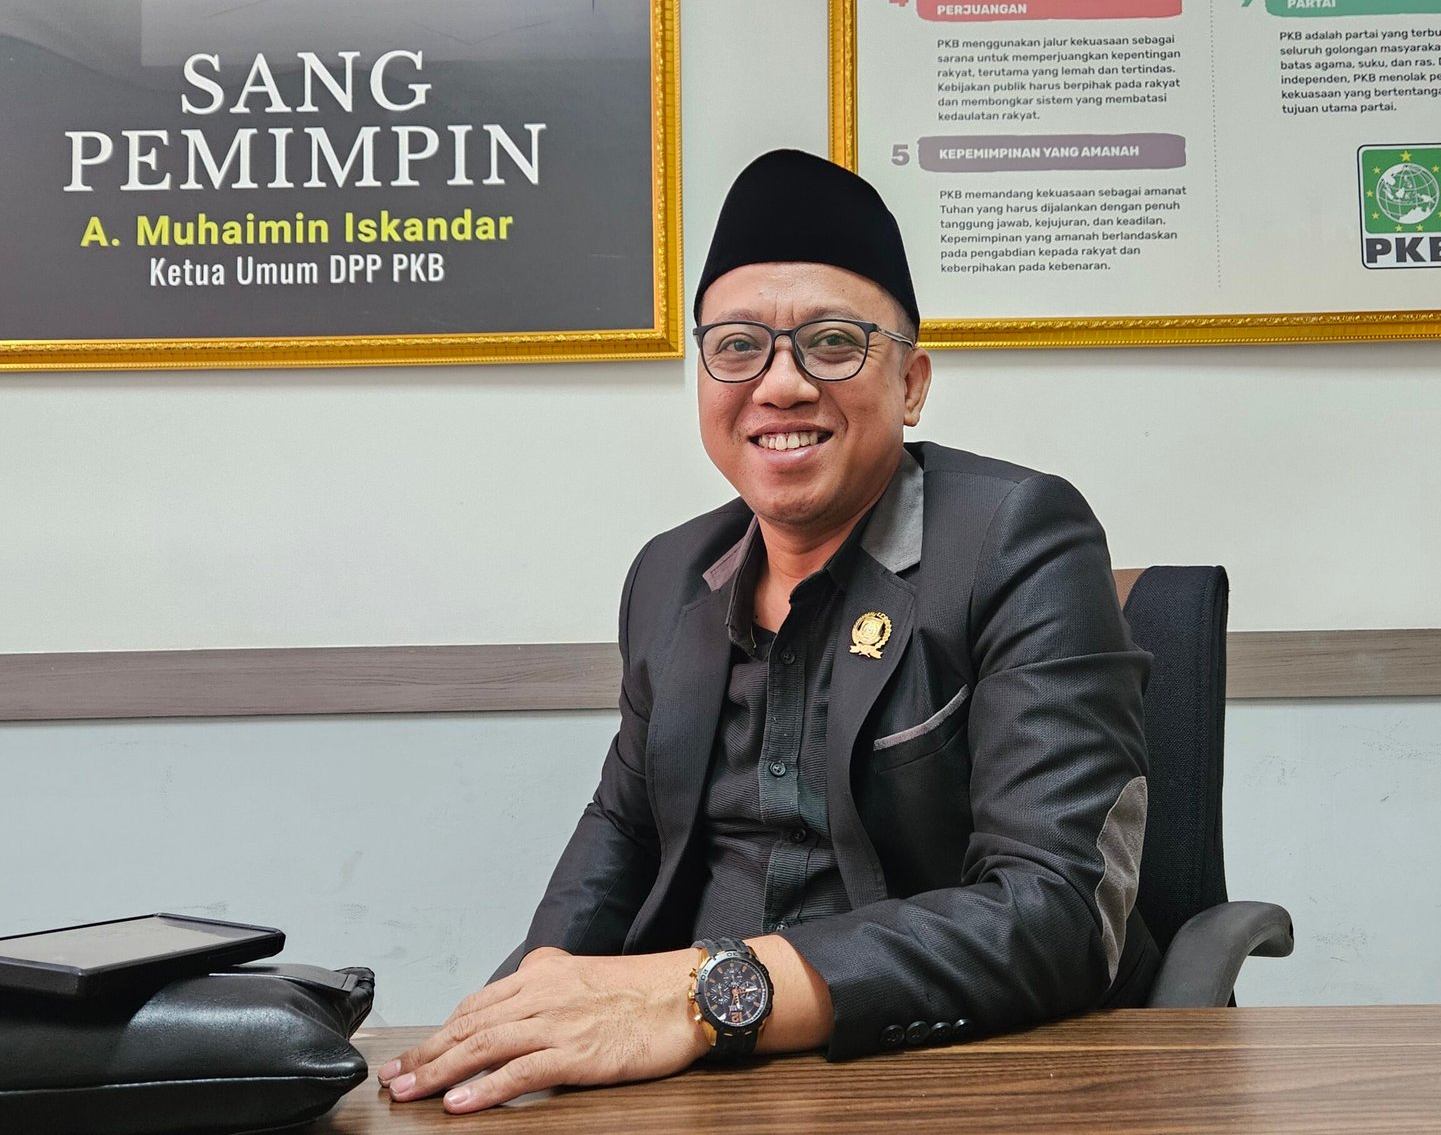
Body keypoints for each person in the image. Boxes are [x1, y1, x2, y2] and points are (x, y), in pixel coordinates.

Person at [379, 149, 1158, 1113]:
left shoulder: (1017, 538)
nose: (780, 385)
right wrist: (533, 1002)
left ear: (912, 383)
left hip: (937, 1070)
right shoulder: (669, 573)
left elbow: (1056, 910)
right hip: (690, 1080)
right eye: (739, 345)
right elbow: (623, 828)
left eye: (832, 343)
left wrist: (703, 994)